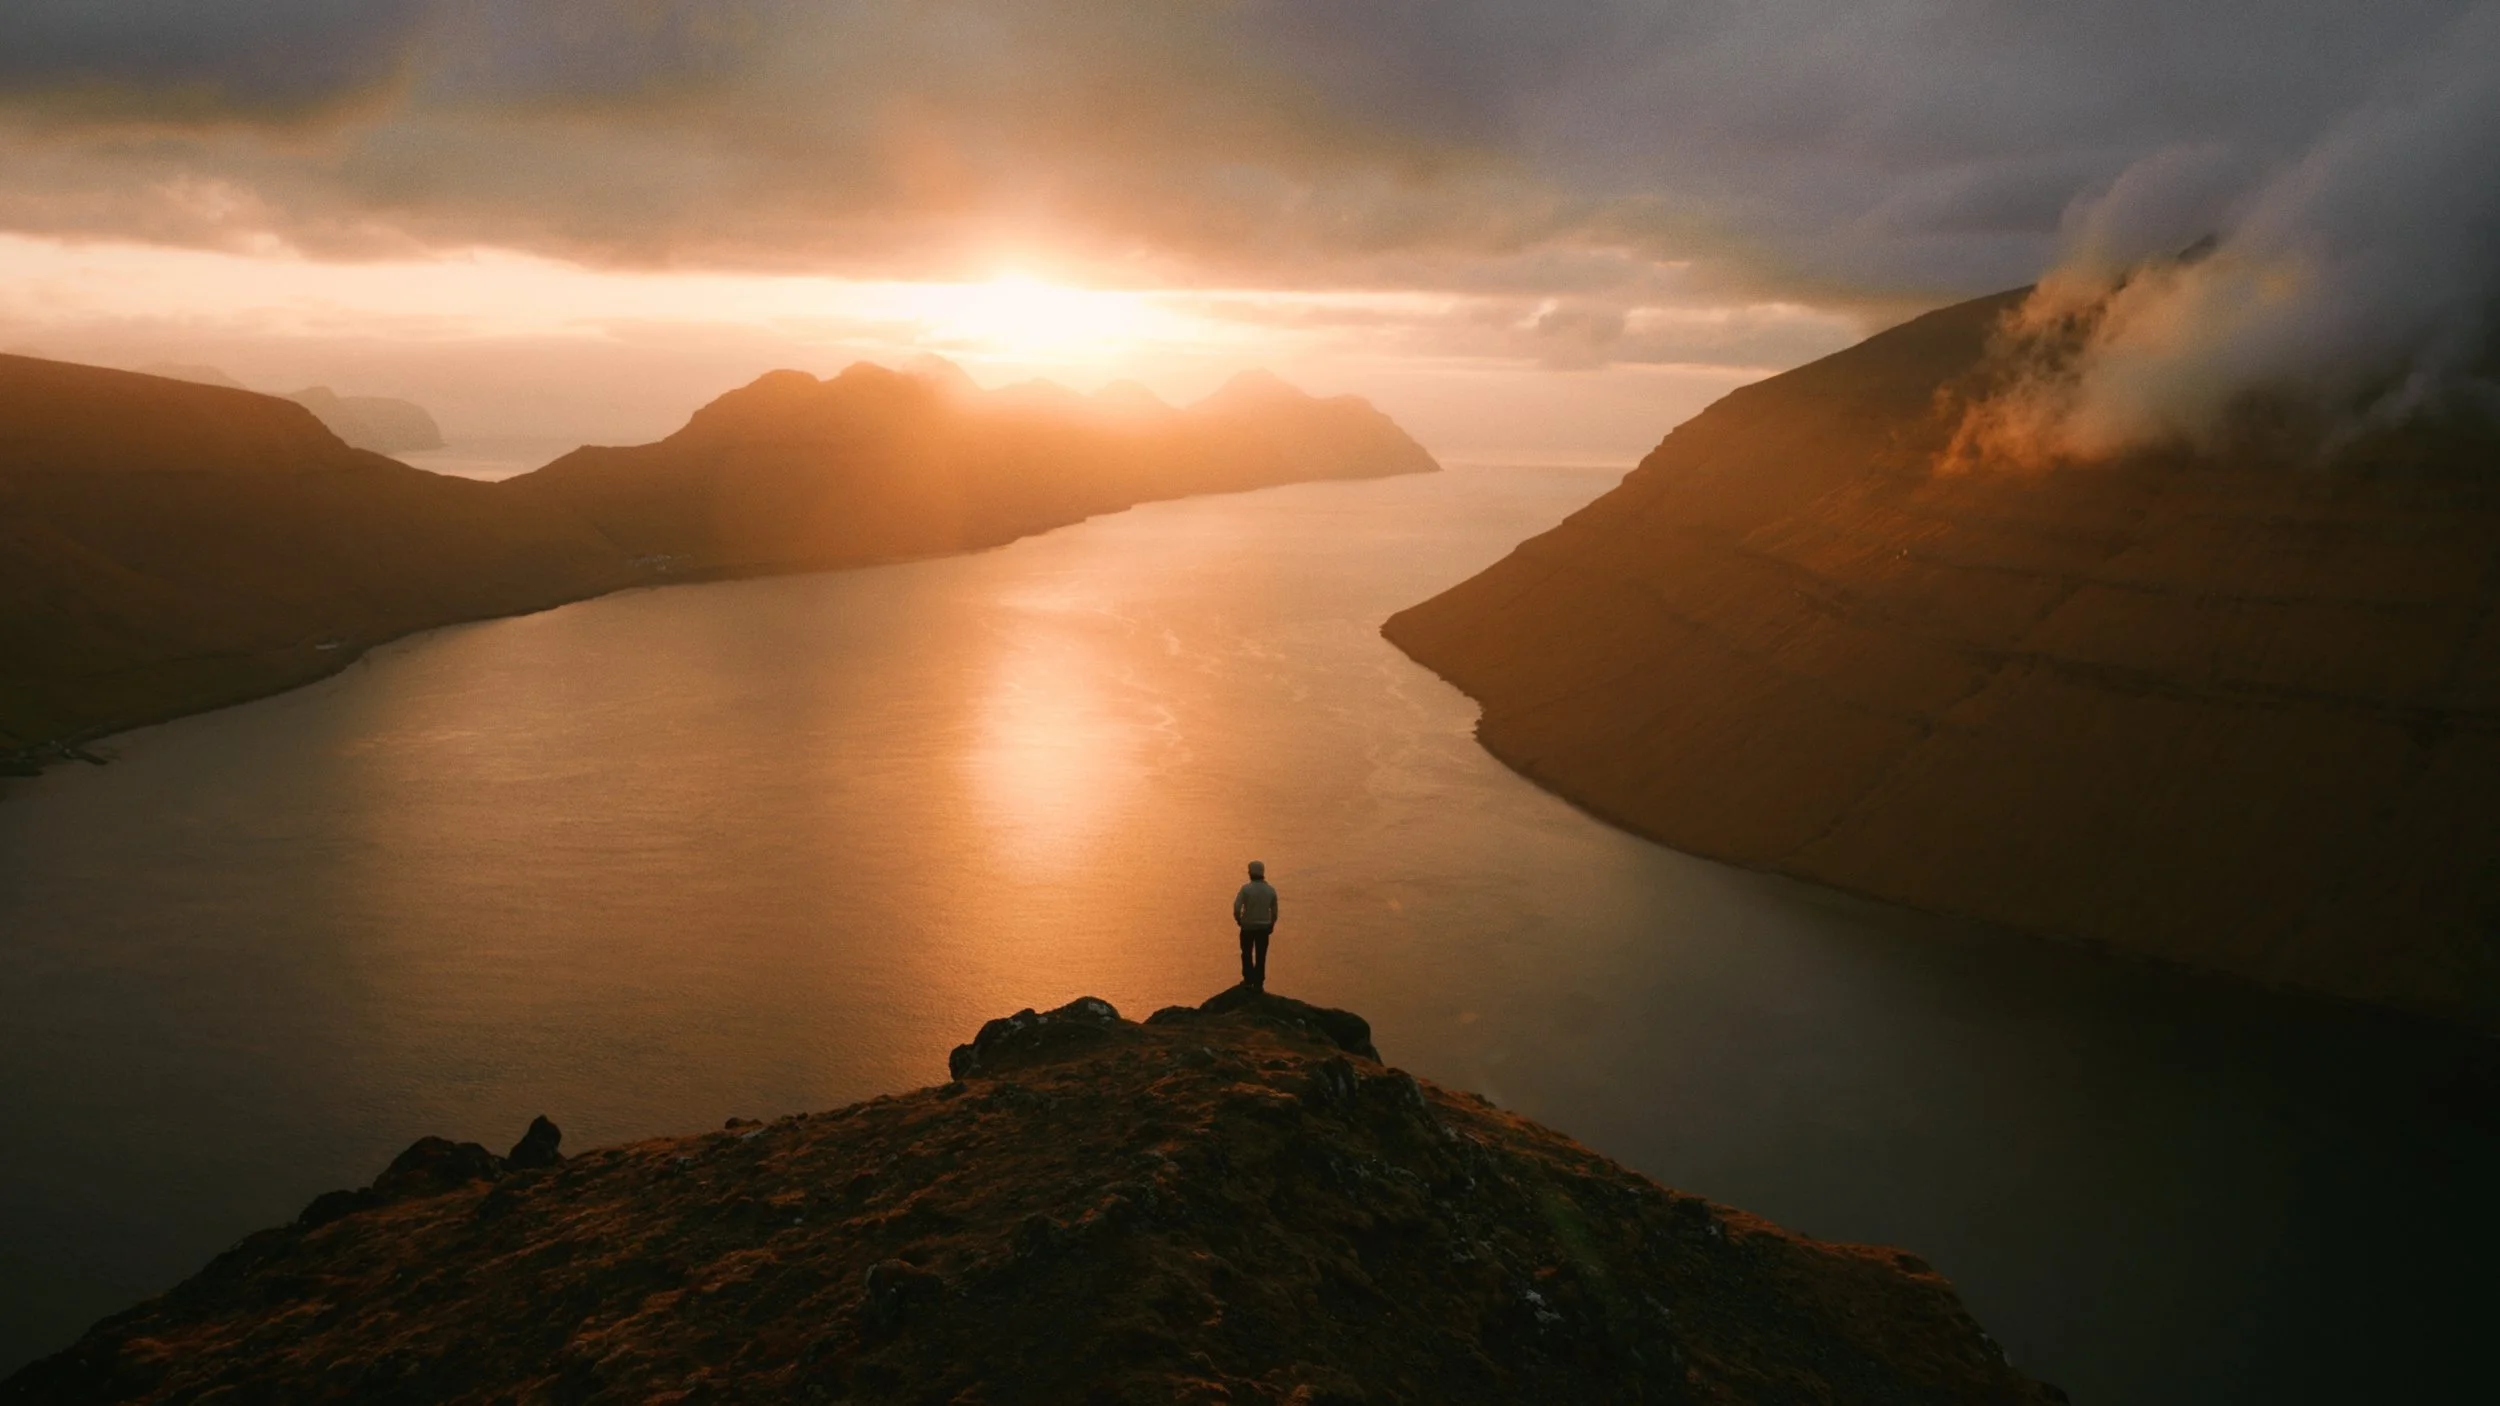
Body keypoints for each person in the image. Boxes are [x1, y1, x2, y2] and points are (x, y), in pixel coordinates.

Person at [1232, 860, 1278, 989]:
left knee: (1246, 953)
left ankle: (1248, 979)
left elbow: (1236, 907)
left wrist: (1239, 920)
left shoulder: (1246, 889)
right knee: (1261, 955)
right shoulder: (1270, 890)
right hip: (1264, 927)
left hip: (1248, 926)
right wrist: (1272, 924)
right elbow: (1274, 911)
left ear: (1251, 873)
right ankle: (1259, 983)